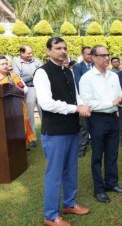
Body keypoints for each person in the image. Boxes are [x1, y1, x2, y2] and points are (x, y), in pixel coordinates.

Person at [33, 37, 91, 226]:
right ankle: (50, 216)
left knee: (71, 170)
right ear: (49, 51)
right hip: (55, 132)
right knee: (54, 174)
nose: (63, 51)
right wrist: (75, 109)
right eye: (58, 48)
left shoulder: (68, 71)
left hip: (72, 128)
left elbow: (76, 95)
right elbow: (46, 103)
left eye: (65, 48)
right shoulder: (42, 72)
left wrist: (82, 105)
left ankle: (69, 204)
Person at [79, 45, 122, 203]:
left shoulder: (113, 75)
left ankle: (111, 183)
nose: (107, 58)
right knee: (97, 155)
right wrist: (111, 102)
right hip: (97, 119)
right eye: (102, 55)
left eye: (108, 54)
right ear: (93, 58)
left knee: (112, 153)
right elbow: (88, 103)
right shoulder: (87, 78)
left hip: (113, 117)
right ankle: (99, 190)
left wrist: (120, 100)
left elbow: (118, 95)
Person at [0, 56, 35, 149]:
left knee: (20, 125)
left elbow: (25, 89)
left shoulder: (13, 76)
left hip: (16, 107)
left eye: (6, 63)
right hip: (2, 108)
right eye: (2, 64)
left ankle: (22, 145)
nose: (5, 66)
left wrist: (15, 88)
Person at [12, 45, 42, 148]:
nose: (31, 55)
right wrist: (31, 76)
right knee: (30, 115)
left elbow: (42, 73)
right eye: (28, 53)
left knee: (45, 112)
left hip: (40, 88)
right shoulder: (16, 62)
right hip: (28, 89)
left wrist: (35, 75)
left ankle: (47, 134)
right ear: (22, 53)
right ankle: (32, 138)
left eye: (31, 52)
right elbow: (17, 79)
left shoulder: (36, 60)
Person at [73, 46, 92, 157]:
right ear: (83, 55)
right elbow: (79, 83)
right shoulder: (77, 67)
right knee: (84, 126)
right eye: (88, 54)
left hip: (96, 101)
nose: (90, 56)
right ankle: (81, 149)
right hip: (84, 100)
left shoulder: (96, 66)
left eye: (91, 54)